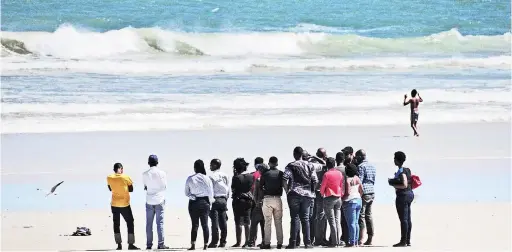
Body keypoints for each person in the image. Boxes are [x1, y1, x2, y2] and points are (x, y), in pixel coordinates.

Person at [283, 146, 318, 249]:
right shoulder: (310, 165)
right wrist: (312, 191)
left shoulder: (291, 165)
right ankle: (307, 243)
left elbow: (284, 179)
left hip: (294, 194)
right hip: (307, 195)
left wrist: (287, 191)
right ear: (302, 154)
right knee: (306, 219)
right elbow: (315, 180)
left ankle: (293, 243)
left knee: (295, 218)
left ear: (294, 154)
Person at [107, 163, 140, 250]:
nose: (122, 170)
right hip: (125, 204)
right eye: (122, 169)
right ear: (120, 169)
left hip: (114, 204)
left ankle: (119, 245)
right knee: (130, 222)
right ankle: (130, 244)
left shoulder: (109, 177)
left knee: (116, 224)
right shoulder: (125, 177)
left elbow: (110, 188)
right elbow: (131, 189)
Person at [185, 160, 214, 250]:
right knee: (205, 224)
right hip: (205, 202)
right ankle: (205, 245)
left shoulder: (190, 178)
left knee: (195, 224)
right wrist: (210, 203)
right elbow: (210, 193)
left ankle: (193, 245)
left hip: (193, 203)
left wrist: (192, 196)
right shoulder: (207, 178)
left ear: (195, 168)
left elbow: (187, 193)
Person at [142, 155, 169, 250]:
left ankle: (149, 245)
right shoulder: (162, 173)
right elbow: (164, 186)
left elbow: (145, 187)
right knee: (160, 223)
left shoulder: (144, 174)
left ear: (148, 163)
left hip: (149, 200)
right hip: (160, 200)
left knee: (149, 224)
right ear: (157, 163)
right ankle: (161, 244)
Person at [388, 151, 414, 247]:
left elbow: (404, 184)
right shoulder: (407, 170)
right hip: (409, 194)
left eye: (395, 158)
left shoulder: (401, 171)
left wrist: (392, 183)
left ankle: (403, 241)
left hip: (403, 196)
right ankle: (407, 240)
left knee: (403, 219)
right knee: (408, 218)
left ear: (397, 160)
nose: (393, 160)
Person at [260, 156, 284, 249]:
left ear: (269, 163)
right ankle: (279, 243)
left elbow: (260, 187)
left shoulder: (265, 174)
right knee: (278, 222)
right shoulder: (281, 173)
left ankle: (267, 243)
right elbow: (283, 184)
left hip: (267, 199)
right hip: (278, 199)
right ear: (277, 163)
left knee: (267, 222)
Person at [320, 157, 344, 247]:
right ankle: (337, 241)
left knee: (331, 221)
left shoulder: (326, 174)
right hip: (338, 198)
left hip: (329, 197)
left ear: (327, 165)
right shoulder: (339, 173)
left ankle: (334, 242)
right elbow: (341, 185)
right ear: (334, 164)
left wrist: (322, 194)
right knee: (337, 221)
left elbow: (323, 186)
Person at [231, 158, 255, 248]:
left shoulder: (236, 177)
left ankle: (238, 242)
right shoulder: (251, 176)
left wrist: (234, 175)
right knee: (247, 221)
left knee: (238, 221)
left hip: (239, 200)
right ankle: (247, 241)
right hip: (249, 200)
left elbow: (233, 189)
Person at [354, 149, 376, 245]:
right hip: (372, 191)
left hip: (364, 193)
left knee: (361, 216)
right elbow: (373, 179)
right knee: (369, 215)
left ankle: (361, 238)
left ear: (359, 157)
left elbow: (360, 181)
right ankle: (370, 237)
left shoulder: (361, 166)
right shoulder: (372, 166)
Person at [208, 159, 230, 248]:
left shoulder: (211, 176)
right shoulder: (226, 175)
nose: (210, 166)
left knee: (215, 222)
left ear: (215, 165)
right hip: (224, 199)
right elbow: (228, 189)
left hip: (215, 199)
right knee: (223, 222)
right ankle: (223, 241)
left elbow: (210, 190)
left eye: (211, 165)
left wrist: (210, 202)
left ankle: (214, 242)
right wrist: (226, 200)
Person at [310, 148, 328, 246]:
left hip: (314, 192)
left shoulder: (312, 163)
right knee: (321, 216)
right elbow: (326, 164)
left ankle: (314, 238)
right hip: (320, 193)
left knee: (314, 216)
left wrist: (314, 156)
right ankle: (320, 239)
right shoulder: (320, 165)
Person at [342, 164, 363, 247]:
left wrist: (342, 199)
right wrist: (359, 196)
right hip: (358, 200)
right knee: (356, 222)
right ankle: (356, 241)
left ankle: (352, 242)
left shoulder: (347, 180)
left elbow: (348, 193)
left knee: (351, 223)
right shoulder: (357, 178)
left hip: (350, 201)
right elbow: (362, 190)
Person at [249, 157, 266, 247]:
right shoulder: (267, 174)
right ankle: (264, 240)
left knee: (254, 222)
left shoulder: (253, 175)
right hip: (266, 202)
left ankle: (252, 241)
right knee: (264, 223)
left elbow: (252, 189)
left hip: (256, 201)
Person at [335, 152, 348, 246]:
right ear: (344, 160)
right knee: (344, 218)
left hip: (336, 195)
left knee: (336, 218)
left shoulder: (333, 169)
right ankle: (345, 237)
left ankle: (335, 237)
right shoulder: (347, 169)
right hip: (346, 195)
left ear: (336, 160)